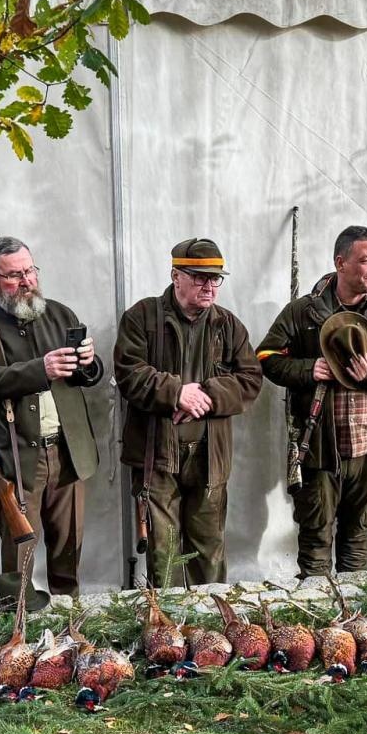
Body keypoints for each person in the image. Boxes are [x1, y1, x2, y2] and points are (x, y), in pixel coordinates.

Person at [258, 225, 367, 577]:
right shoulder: (303, 312)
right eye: (365, 260)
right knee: (315, 543)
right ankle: (317, 627)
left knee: (356, 544)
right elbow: (266, 356)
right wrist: (309, 369)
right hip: (319, 452)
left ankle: (354, 628)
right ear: (341, 263)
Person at [0, 236, 102, 600]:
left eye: (30, 270)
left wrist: (89, 364)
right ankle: (18, 626)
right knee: (20, 555)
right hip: (17, 456)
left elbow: (84, 377)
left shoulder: (60, 313)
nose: (27, 281)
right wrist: (40, 369)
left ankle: (69, 622)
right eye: (14, 275)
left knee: (69, 548)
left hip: (68, 451)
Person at [114, 238, 262, 586]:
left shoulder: (229, 325)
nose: (209, 286)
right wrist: (176, 393)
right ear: (175, 275)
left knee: (208, 548)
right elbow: (127, 372)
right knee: (163, 551)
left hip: (210, 456)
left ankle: (209, 625)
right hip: (156, 454)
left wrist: (205, 396)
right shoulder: (142, 317)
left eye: (215, 279)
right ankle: (167, 627)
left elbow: (251, 380)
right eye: (198, 277)